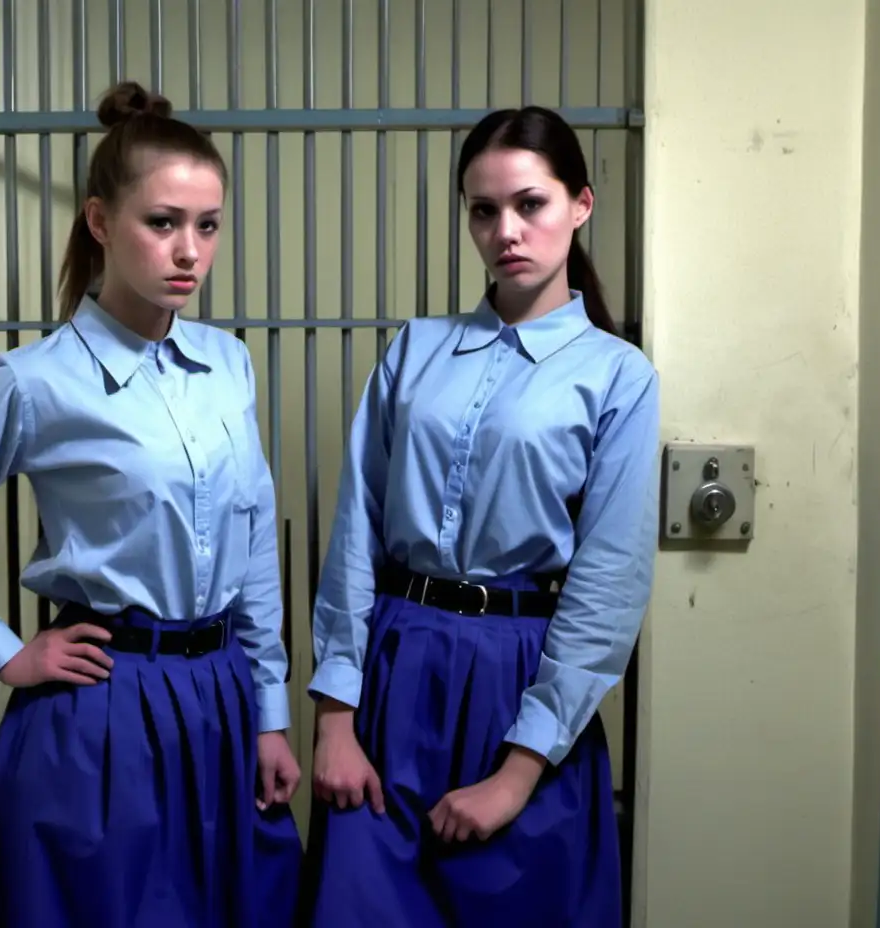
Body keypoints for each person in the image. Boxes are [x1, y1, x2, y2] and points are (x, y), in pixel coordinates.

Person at [0, 81, 303, 928]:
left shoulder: (229, 363)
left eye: (207, 226)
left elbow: (252, 543)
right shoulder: (30, 383)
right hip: (103, 712)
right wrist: (2, 652)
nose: (190, 251)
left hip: (221, 699)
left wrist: (271, 714)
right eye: (163, 222)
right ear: (101, 222)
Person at [301, 105, 660, 927]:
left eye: (530, 204)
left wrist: (517, 772)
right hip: (394, 669)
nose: (506, 230)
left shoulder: (617, 376)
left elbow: (609, 583)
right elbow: (355, 527)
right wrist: (335, 719)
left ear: (581, 205)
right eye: (483, 209)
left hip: (523, 686)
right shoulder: (414, 349)